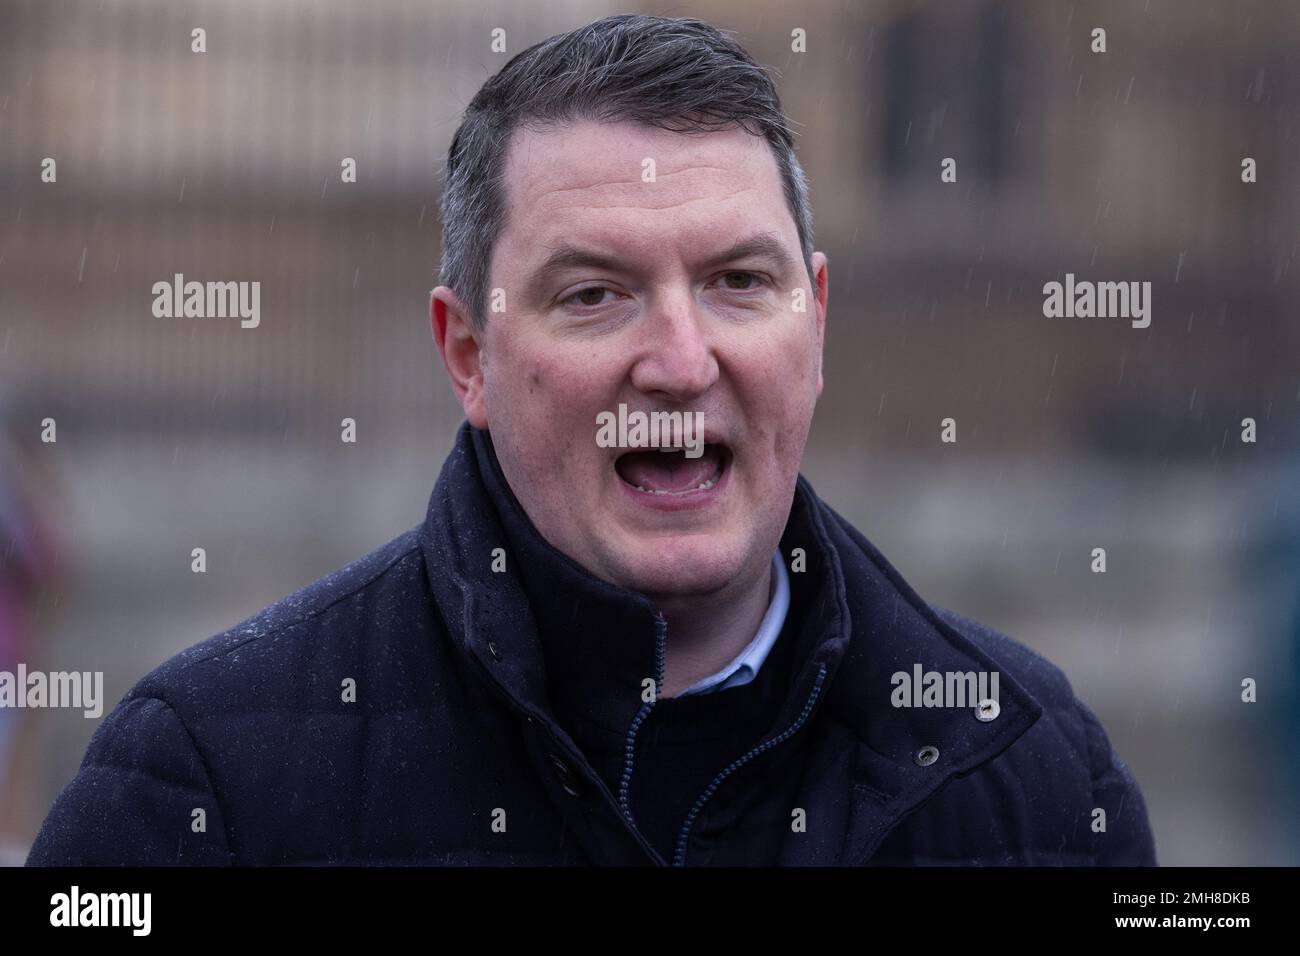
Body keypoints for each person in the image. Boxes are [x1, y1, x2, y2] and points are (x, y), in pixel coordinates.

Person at [27, 14, 1155, 866]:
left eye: (736, 282)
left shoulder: (1036, 771)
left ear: (813, 322)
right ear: (467, 354)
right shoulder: (203, 785)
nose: (678, 358)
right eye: (595, 294)